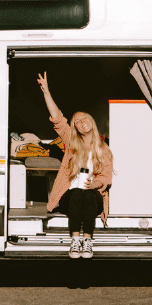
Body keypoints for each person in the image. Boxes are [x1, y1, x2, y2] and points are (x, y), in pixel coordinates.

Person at [37, 71, 113, 259]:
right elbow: (57, 118)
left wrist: (96, 184)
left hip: (92, 196)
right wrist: (46, 91)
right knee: (78, 193)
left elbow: (106, 177)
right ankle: (75, 240)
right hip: (70, 195)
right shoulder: (72, 143)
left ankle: (87, 241)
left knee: (87, 194)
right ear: (75, 128)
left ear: (92, 122)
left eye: (84, 118)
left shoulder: (104, 149)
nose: (81, 122)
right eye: (77, 121)